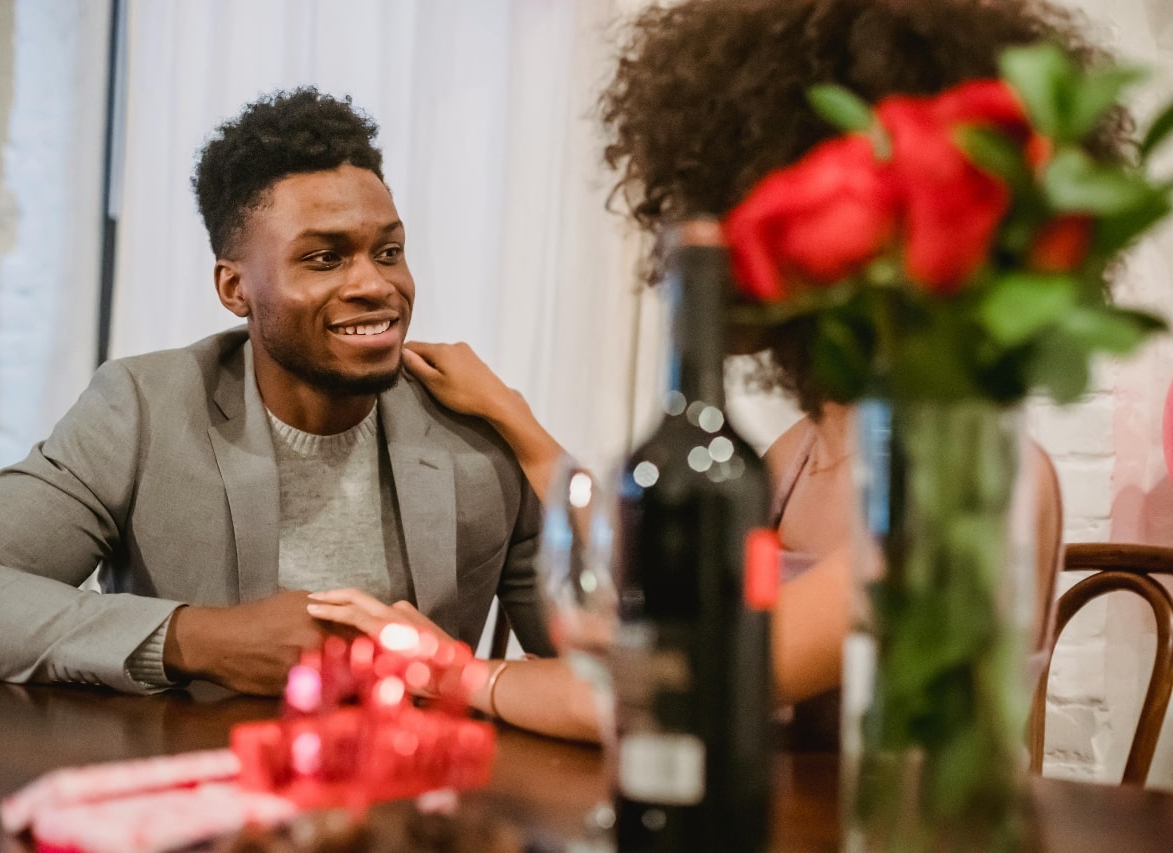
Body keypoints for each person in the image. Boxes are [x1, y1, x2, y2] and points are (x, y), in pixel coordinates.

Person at [313, 0, 1118, 743]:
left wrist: (454, 666)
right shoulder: (805, 451)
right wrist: (516, 419)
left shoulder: (972, 476)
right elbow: (666, 572)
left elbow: (692, 679)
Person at [0, 89, 553, 696]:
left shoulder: (475, 428)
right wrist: (202, 638)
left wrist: (528, 432)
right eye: (324, 258)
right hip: (203, 794)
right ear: (234, 288)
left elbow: (617, 659)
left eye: (388, 252)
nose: (376, 284)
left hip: (416, 808)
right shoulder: (142, 409)